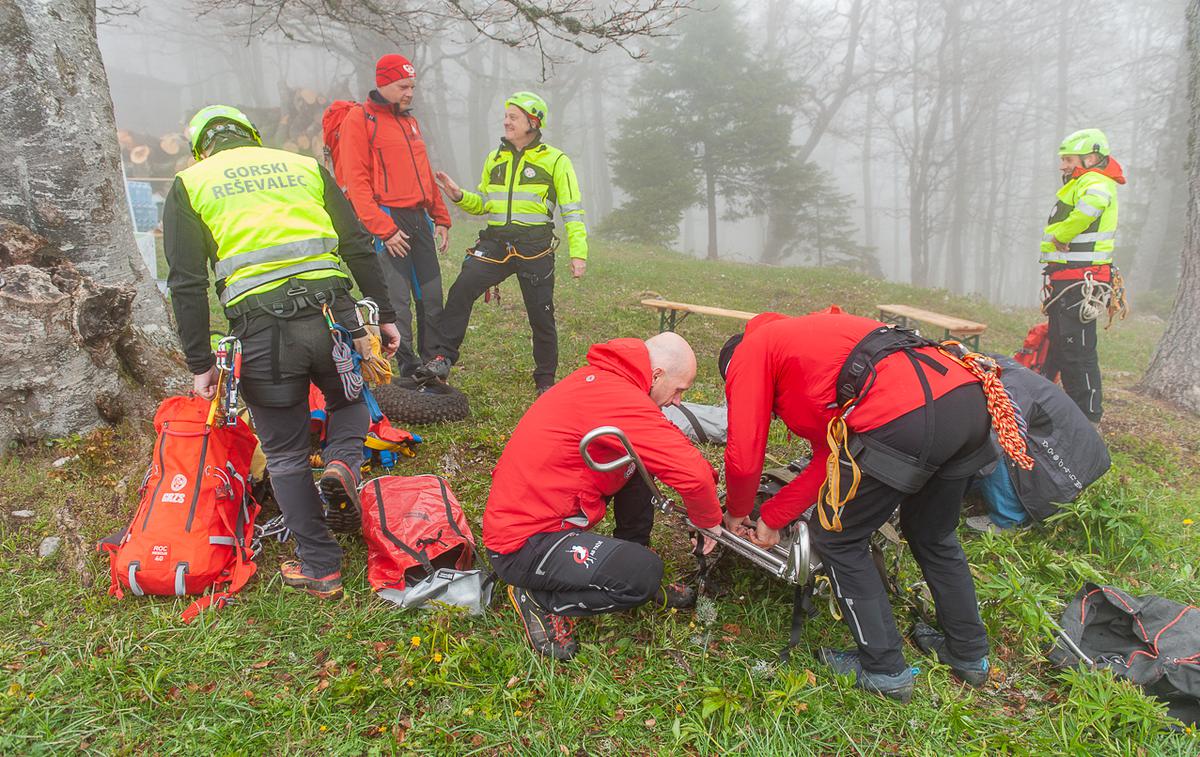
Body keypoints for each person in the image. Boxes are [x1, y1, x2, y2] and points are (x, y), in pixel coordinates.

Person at [164, 105, 400, 601]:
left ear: (202, 147)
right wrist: (388, 315)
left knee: (286, 453)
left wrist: (199, 363)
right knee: (351, 404)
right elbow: (357, 244)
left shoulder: (191, 183)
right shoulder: (303, 166)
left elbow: (185, 283)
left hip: (261, 333)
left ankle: (321, 567)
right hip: (334, 320)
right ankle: (341, 463)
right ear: (252, 136)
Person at [720, 311, 999, 702]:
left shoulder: (751, 353)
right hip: (966, 400)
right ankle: (968, 653)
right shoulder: (807, 344)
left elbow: (744, 457)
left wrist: (738, 510)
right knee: (932, 532)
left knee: (838, 536)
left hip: (908, 413)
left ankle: (885, 669)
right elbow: (831, 458)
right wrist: (773, 516)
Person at [484, 332, 739, 660]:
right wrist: (708, 523)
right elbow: (693, 475)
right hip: (523, 544)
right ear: (657, 375)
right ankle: (537, 596)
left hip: (546, 520)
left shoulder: (613, 383)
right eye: (679, 391)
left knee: (637, 462)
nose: (678, 401)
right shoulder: (616, 397)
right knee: (642, 575)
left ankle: (631, 549)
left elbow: (670, 446)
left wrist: (706, 498)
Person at [428, 91, 587, 393]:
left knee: (541, 314)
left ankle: (545, 380)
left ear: (533, 121)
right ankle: (442, 358)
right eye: (505, 116)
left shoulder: (556, 161)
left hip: (535, 248)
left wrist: (578, 254)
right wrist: (459, 196)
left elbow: (572, 211)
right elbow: (486, 204)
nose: (506, 122)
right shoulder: (495, 158)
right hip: (495, 245)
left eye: (513, 117)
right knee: (462, 288)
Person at [337, 53, 452, 379]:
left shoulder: (409, 121)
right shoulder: (359, 120)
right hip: (388, 221)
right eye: (403, 86)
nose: (409, 93)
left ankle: (434, 364)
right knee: (397, 304)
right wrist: (384, 229)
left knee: (431, 297)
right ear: (383, 83)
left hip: (419, 220)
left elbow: (425, 172)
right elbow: (357, 186)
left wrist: (441, 216)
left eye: (412, 86)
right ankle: (406, 370)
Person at [965, 354, 1111, 533]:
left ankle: (1009, 520)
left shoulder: (1007, 390)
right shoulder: (998, 366)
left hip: (1068, 466)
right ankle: (1003, 497)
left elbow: (991, 448)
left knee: (993, 444)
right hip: (1078, 454)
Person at [1040, 128, 1125, 423]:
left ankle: (1088, 419)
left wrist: (1062, 233)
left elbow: (1092, 207)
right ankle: (1055, 409)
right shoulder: (1081, 181)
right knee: (1062, 347)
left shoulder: (1095, 181)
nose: (1062, 165)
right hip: (1068, 280)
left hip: (1082, 282)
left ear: (1090, 158)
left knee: (1078, 352)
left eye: (1068, 159)